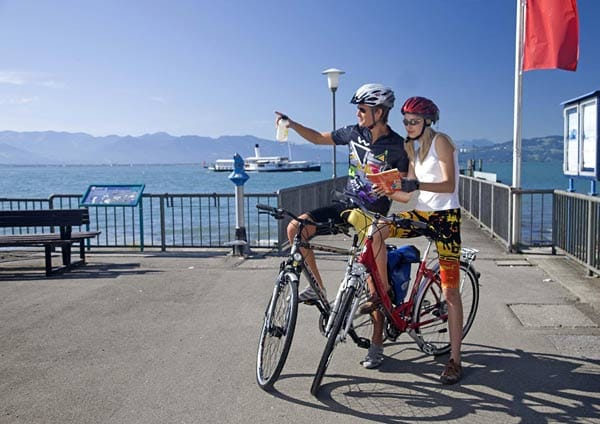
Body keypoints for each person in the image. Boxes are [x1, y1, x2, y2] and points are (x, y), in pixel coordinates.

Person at [274, 83, 408, 305]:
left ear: (379, 112)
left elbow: (403, 185)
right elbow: (318, 137)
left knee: (375, 293)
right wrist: (292, 124)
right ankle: (316, 287)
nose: (357, 113)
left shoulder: (398, 146)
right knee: (295, 229)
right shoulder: (353, 133)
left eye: (362, 109)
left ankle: (378, 327)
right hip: (346, 206)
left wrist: (390, 186)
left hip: (372, 215)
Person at [363, 96, 464, 384]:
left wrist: (416, 183)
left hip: (446, 218)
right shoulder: (412, 147)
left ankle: (455, 360)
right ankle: (381, 295)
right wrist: (383, 188)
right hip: (423, 213)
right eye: (405, 121)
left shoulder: (441, 141)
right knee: (378, 230)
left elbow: (449, 184)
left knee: (450, 293)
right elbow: (406, 195)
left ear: (428, 121)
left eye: (414, 121)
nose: (408, 125)